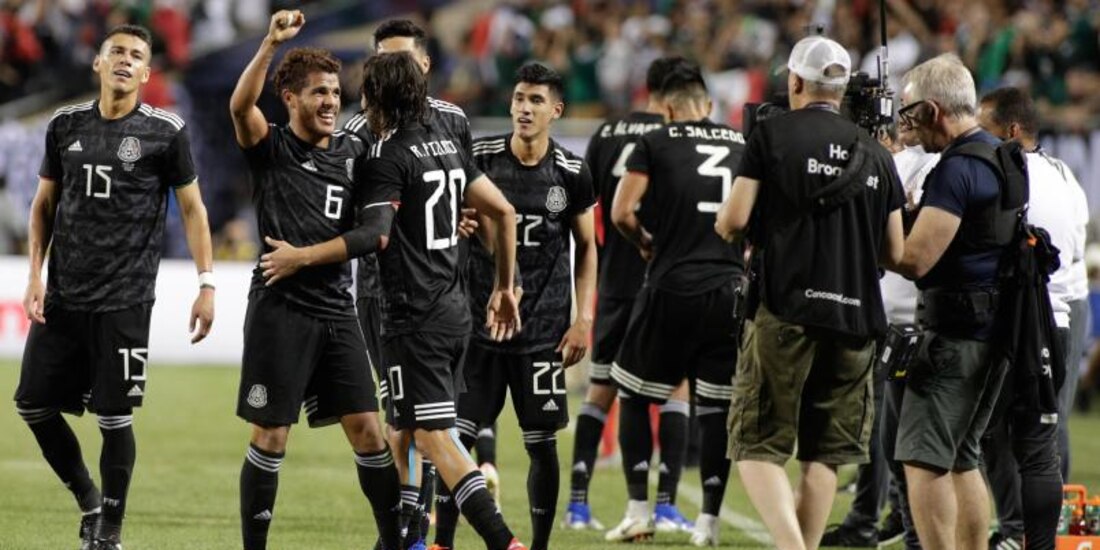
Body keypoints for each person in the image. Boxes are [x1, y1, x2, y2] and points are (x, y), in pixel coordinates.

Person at [259, 50, 528, 550]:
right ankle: (401, 542)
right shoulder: (446, 143)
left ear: (377, 97)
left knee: (432, 438)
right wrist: (503, 287)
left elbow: (375, 236)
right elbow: (505, 211)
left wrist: (304, 255)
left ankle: (503, 542)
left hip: (413, 316)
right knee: (402, 429)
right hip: (454, 310)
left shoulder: (387, 154)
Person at [14, 24, 215, 550]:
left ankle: (108, 532)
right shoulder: (64, 125)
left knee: (112, 415)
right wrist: (35, 272)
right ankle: (88, 499)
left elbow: (193, 210)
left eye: (137, 56)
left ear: (147, 74)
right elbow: (43, 206)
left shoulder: (166, 131)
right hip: (63, 294)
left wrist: (207, 282)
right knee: (32, 404)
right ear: (99, 65)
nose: (126, 60)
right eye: (117, 52)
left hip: (125, 297)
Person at [715, 35, 905, 550]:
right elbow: (895, 251)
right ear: (842, 89)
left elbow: (732, 222)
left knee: (757, 446)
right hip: (856, 318)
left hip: (784, 308)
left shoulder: (770, 136)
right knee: (825, 454)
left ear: (795, 81)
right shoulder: (877, 154)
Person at [228, 11, 400, 550]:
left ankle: (393, 541)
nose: (330, 101)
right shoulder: (272, 149)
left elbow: (381, 220)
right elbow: (240, 107)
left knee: (370, 432)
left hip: (336, 309)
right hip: (280, 310)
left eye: (333, 91)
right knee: (271, 436)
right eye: (318, 93)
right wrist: (270, 44)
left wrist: (303, 256)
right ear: (291, 98)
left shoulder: (355, 154)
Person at [431, 61, 596, 550]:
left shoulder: (570, 172)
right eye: (520, 98)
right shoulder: (478, 156)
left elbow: (587, 247)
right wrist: (457, 223)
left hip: (542, 333)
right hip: (476, 329)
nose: (525, 108)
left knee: (541, 446)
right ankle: (443, 542)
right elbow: (444, 213)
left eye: (536, 101)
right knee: (454, 441)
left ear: (556, 111)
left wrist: (583, 319)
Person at [341, 19, 484, 548]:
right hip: (375, 290)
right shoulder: (358, 130)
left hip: (433, 289)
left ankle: (409, 531)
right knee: (398, 419)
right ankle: (409, 528)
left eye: (399, 60)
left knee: (414, 421)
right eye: (381, 61)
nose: (390, 70)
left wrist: (461, 221)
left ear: (423, 65)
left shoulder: (452, 120)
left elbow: (466, 195)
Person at [604, 60, 745, 547]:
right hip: (729, 289)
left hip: (672, 285)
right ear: (707, 106)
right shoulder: (742, 143)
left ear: (666, 108)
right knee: (716, 408)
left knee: (634, 392)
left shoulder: (656, 141)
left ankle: (639, 512)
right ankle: (707, 522)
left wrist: (644, 240)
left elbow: (621, 211)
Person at [890, 54, 1017, 550]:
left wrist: (879, 228)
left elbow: (916, 260)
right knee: (964, 457)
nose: (906, 123)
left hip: (956, 335)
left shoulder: (956, 169)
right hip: (994, 329)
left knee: (923, 458)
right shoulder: (1000, 155)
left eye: (909, 111)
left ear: (933, 110)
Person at [565, 55, 686, 533]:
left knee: (602, 390)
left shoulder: (607, 132)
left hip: (613, 279)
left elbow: (585, 207)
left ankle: (577, 505)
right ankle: (667, 507)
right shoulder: (677, 139)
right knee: (676, 388)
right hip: (664, 279)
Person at [978, 85, 1083, 550]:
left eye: (986, 127)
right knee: (1044, 435)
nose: (979, 137)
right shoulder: (1065, 175)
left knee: (990, 430)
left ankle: (1015, 528)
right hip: (1060, 317)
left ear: (1011, 130)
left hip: (1017, 318)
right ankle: (1038, 539)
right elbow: (1074, 250)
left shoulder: (1005, 172)